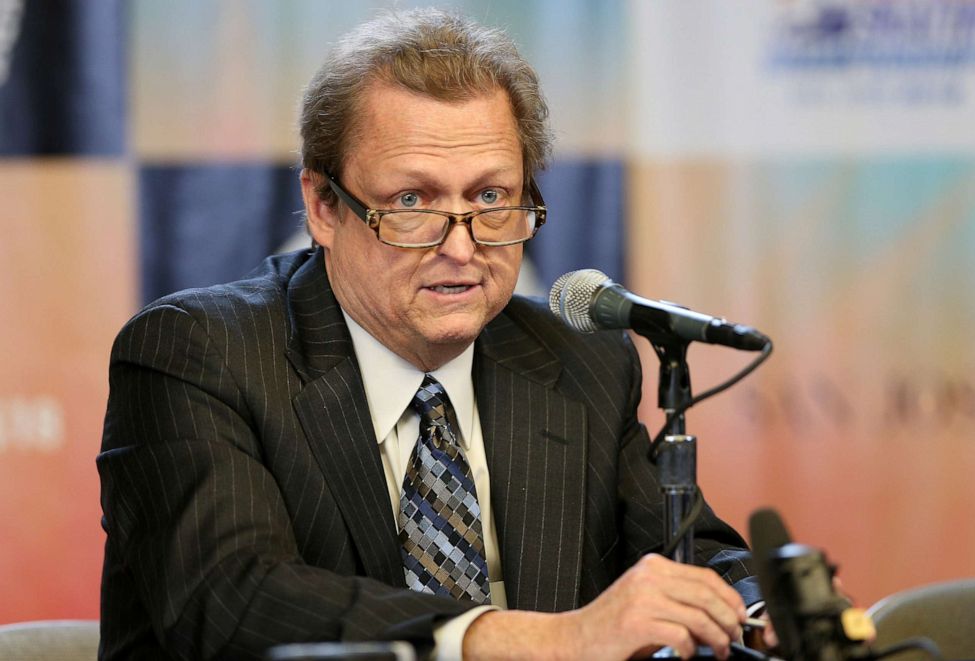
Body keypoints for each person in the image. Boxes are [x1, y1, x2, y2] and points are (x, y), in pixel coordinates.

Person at [98, 8, 763, 660]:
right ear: (324, 206)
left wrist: (762, 615)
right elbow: (235, 599)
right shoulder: (196, 355)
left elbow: (685, 549)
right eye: (413, 202)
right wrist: (542, 639)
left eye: (490, 198)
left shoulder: (578, 358)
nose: (462, 245)